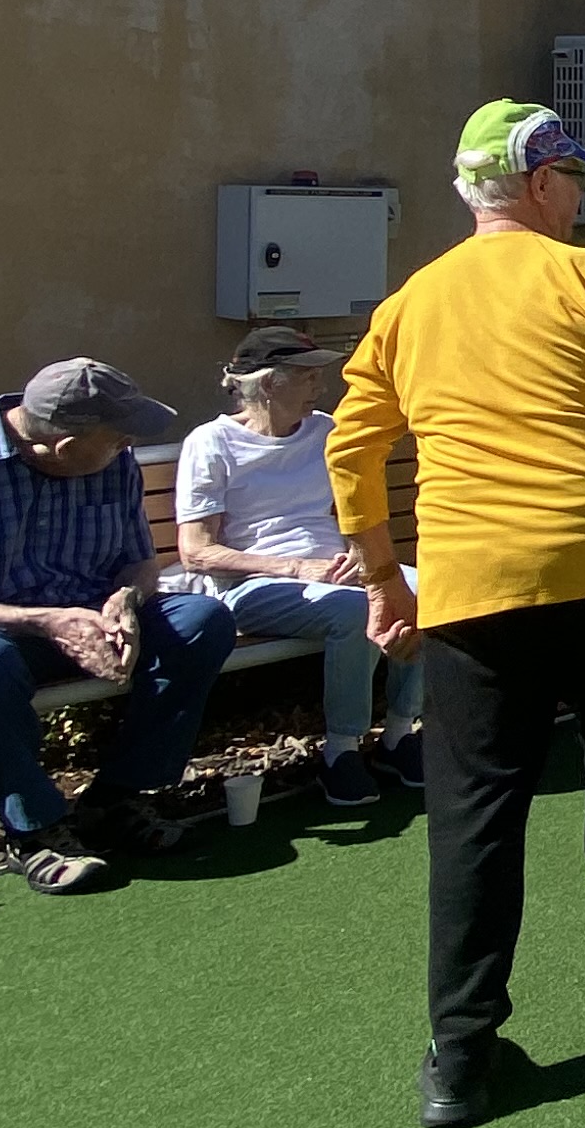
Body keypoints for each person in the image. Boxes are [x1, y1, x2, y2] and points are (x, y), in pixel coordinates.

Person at [332, 99, 585, 1128]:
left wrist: (382, 577)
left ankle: (461, 1055)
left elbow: (352, 445)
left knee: (475, 807)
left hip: (472, 584)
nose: (581, 197)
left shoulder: (411, 302)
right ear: (540, 183)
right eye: (575, 179)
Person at [0, 356, 241, 896]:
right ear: (64, 445)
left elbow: (139, 563)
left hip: (81, 619)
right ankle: (34, 830)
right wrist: (46, 621)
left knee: (200, 621)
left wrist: (126, 600)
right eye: (118, 439)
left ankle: (115, 800)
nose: (128, 447)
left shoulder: (112, 461)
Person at [171, 325, 427, 809]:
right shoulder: (211, 443)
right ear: (270, 383)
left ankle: (399, 734)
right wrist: (296, 567)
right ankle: (341, 750)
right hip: (252, 586)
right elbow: (197, 552)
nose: (320, 386)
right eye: (307, 376)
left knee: (428, 589)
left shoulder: (325, 432)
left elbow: (352, 511)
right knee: (354, 612)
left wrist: (361, 555)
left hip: (335, 573)